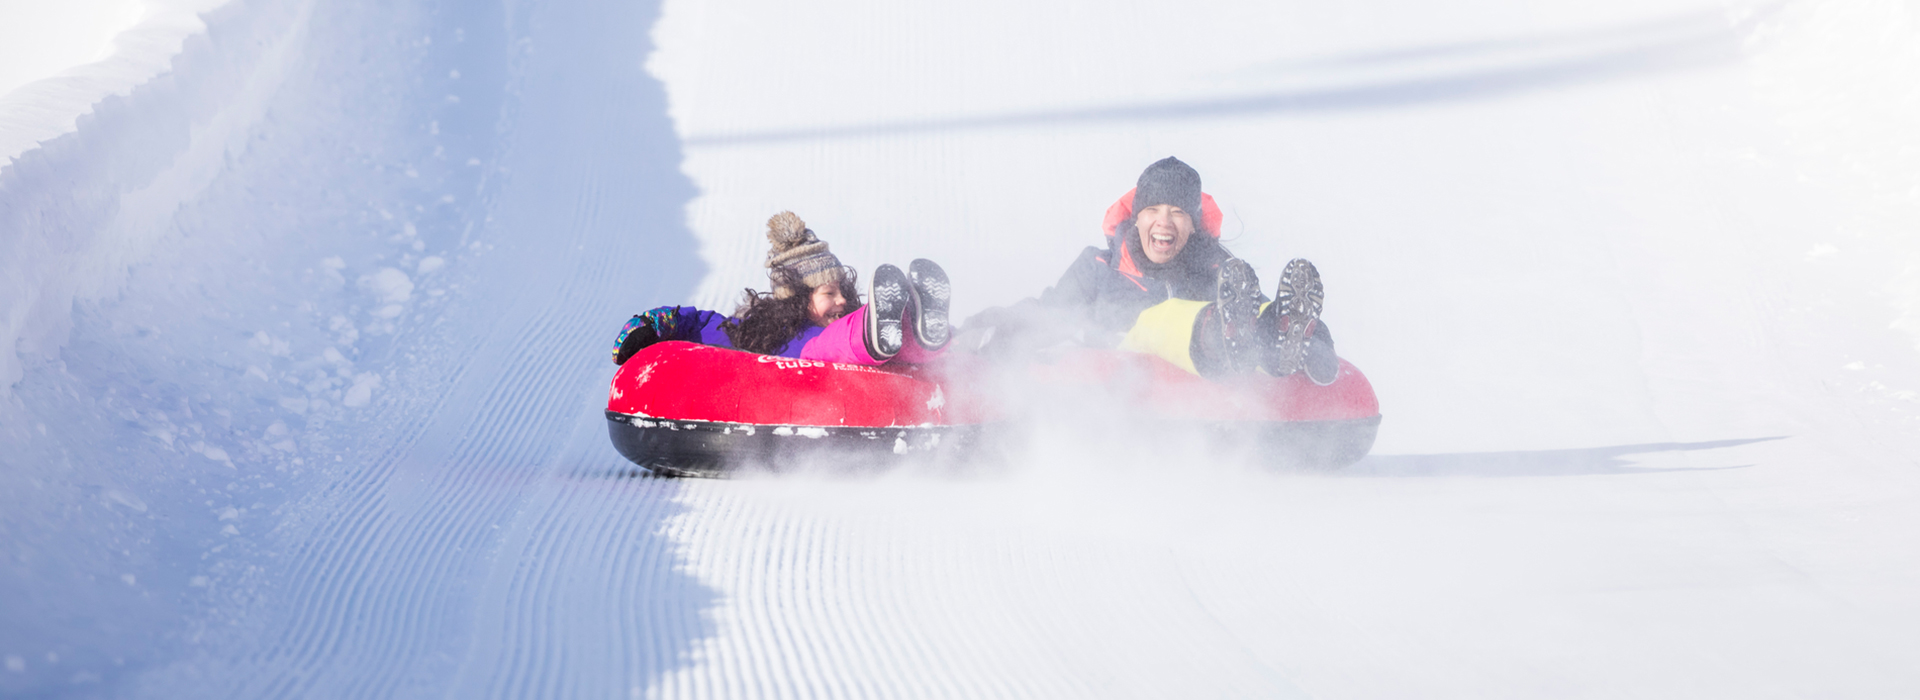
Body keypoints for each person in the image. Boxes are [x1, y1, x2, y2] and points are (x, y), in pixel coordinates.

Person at [967, 156, 1338, 384]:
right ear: (1137, 217)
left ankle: (1280, 341)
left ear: (1193, 224)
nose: (1164, 222)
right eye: (1153, 210)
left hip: (1208, 385)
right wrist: (992, 326)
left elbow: (1254, 303)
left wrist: (1316, 341)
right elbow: (1048, 315)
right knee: (1160, 321)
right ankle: (1217, 331)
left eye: (1178, 212)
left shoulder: (1214, 269)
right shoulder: (1097, 268)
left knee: (1253, 311)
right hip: (1124, 371)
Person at [611, 211, 950, 366]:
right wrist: (641, 331)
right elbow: (690, 321)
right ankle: (877, 336)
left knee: (894, 338)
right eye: (828, 294)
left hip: (871, 339)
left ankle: (923, 330)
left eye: (842, 291)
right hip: (836, 350)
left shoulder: (852, 316)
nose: (841, 300)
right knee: (832, 344)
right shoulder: (755, 334)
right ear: (798, 300)